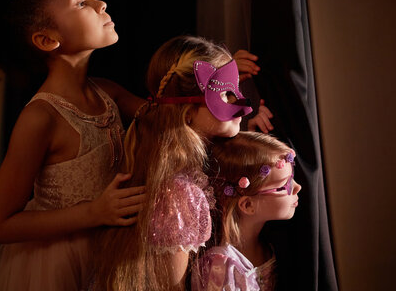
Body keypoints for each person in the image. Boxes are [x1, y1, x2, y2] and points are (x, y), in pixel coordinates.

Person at [0, 0, 147, 290]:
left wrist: (222, 80)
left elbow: (168, 115)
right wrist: (94, 213)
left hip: (110, 255)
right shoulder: (41, 118)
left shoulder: (109, 93)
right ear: (46, 40)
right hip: (56, 266)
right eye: (81, 2)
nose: (101, 3)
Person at [90, 35, 273, 290]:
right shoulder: (180, 195)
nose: (243, 106)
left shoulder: (176, 174)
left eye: (238, 90)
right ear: (187, 114)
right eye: (226, 94)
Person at [192, 131, 301, 291]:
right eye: (285, 185)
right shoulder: (220, 268)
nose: (298, 187)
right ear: (248, 205)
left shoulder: (273, 246)